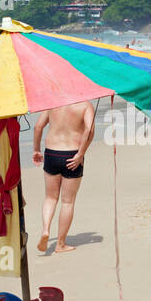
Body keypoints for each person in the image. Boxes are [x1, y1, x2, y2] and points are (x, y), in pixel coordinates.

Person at [31, 101, 95, 254]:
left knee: (50, 198)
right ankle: (60, 244)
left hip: (52, 153)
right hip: (72, 154)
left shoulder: (54, 101)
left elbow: (38, 127)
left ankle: (45, 230)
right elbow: (89, 130)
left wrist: (36, 150)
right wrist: (80, 154)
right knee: (67, 201)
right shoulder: (85, 105)